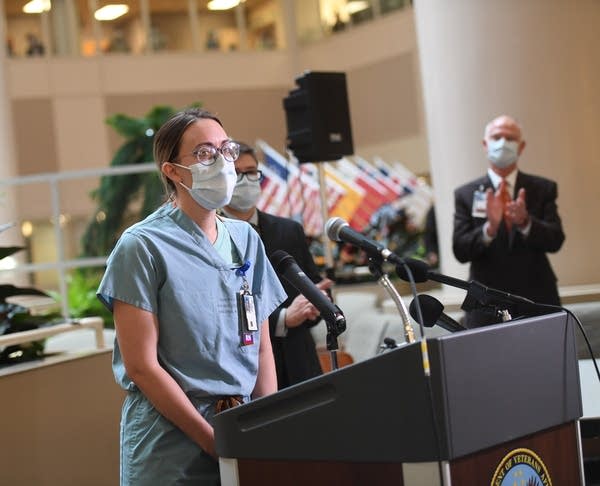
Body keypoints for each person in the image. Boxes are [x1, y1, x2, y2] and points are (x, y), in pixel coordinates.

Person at [97, 109, 287, 485]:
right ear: (172, 171)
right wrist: (211, 440)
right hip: (170, 442)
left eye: (225, 149)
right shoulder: (142, 246)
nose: (221, 162)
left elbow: (261, 347)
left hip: (241, 428)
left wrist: (267, 429)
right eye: (203, 153)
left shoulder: (246, 239)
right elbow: (142, 366)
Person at [221, 142, 332, 389]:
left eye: (251, 172)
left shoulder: (289, 230)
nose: (246, 180)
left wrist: (317, 302)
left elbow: (314, 286)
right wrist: (282, 319)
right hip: (250, 374)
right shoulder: (212, 236)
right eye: (237, 173)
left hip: (301, 363)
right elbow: (222, 314)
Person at [452, 114, 565, 328]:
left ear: (521, 147)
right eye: (497, 137)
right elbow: (460, 250)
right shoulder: (466, 194)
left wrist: (525, 222)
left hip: (537, 300)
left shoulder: (542, 189)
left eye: (510, 138)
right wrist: (489, 228)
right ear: (485, 145)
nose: (503, 143)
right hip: (485, 304)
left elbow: (556, 240)